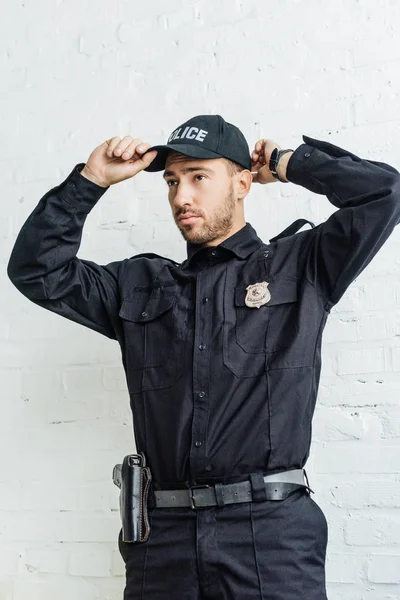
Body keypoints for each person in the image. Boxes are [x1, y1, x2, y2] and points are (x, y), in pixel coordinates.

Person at [7, 114, 400, 600]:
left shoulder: (302, 265)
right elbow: (36, 271)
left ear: (241, 183)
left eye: (198, 177)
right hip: (163, 538)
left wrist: (289, 163)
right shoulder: (137, 284)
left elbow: (385, 194)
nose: (180, 196)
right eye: (172, 181)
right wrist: (90, 181)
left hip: (270, 535)